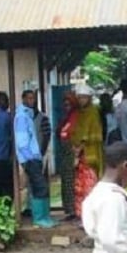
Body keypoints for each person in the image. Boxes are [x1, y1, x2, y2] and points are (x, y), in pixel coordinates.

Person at [14, 90, 56, 228]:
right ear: (23, 99)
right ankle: (39, 218)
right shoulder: (22, 116)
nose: (32, 101)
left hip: (34, 156)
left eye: (33, 98)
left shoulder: (28, 114)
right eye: (29, 98)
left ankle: (44, 216)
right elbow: (22, 141)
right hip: (30, 158)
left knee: (40, 186)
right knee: (40, 187)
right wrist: (30, 157)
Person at [64, 85, 100, 217]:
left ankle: (91, 215)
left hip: (89, 154)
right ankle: (82, 215)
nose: (81, 100)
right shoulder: (79, 113)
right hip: (79, 155)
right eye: (79, 98)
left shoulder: (93, 112)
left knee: (89, 184)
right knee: (79, 186)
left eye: (84, 98)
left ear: (89, 98)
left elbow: (93, 133)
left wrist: (80, 147)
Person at [57, 92, 79, 220]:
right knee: (66, 182)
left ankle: (75, 210)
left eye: (69, 105)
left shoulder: (77, 118)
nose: (66, 107)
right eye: (64, 105)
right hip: (65, 155)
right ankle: (69, 210)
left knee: (73, 183)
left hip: (73, 154)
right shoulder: (66, 119)